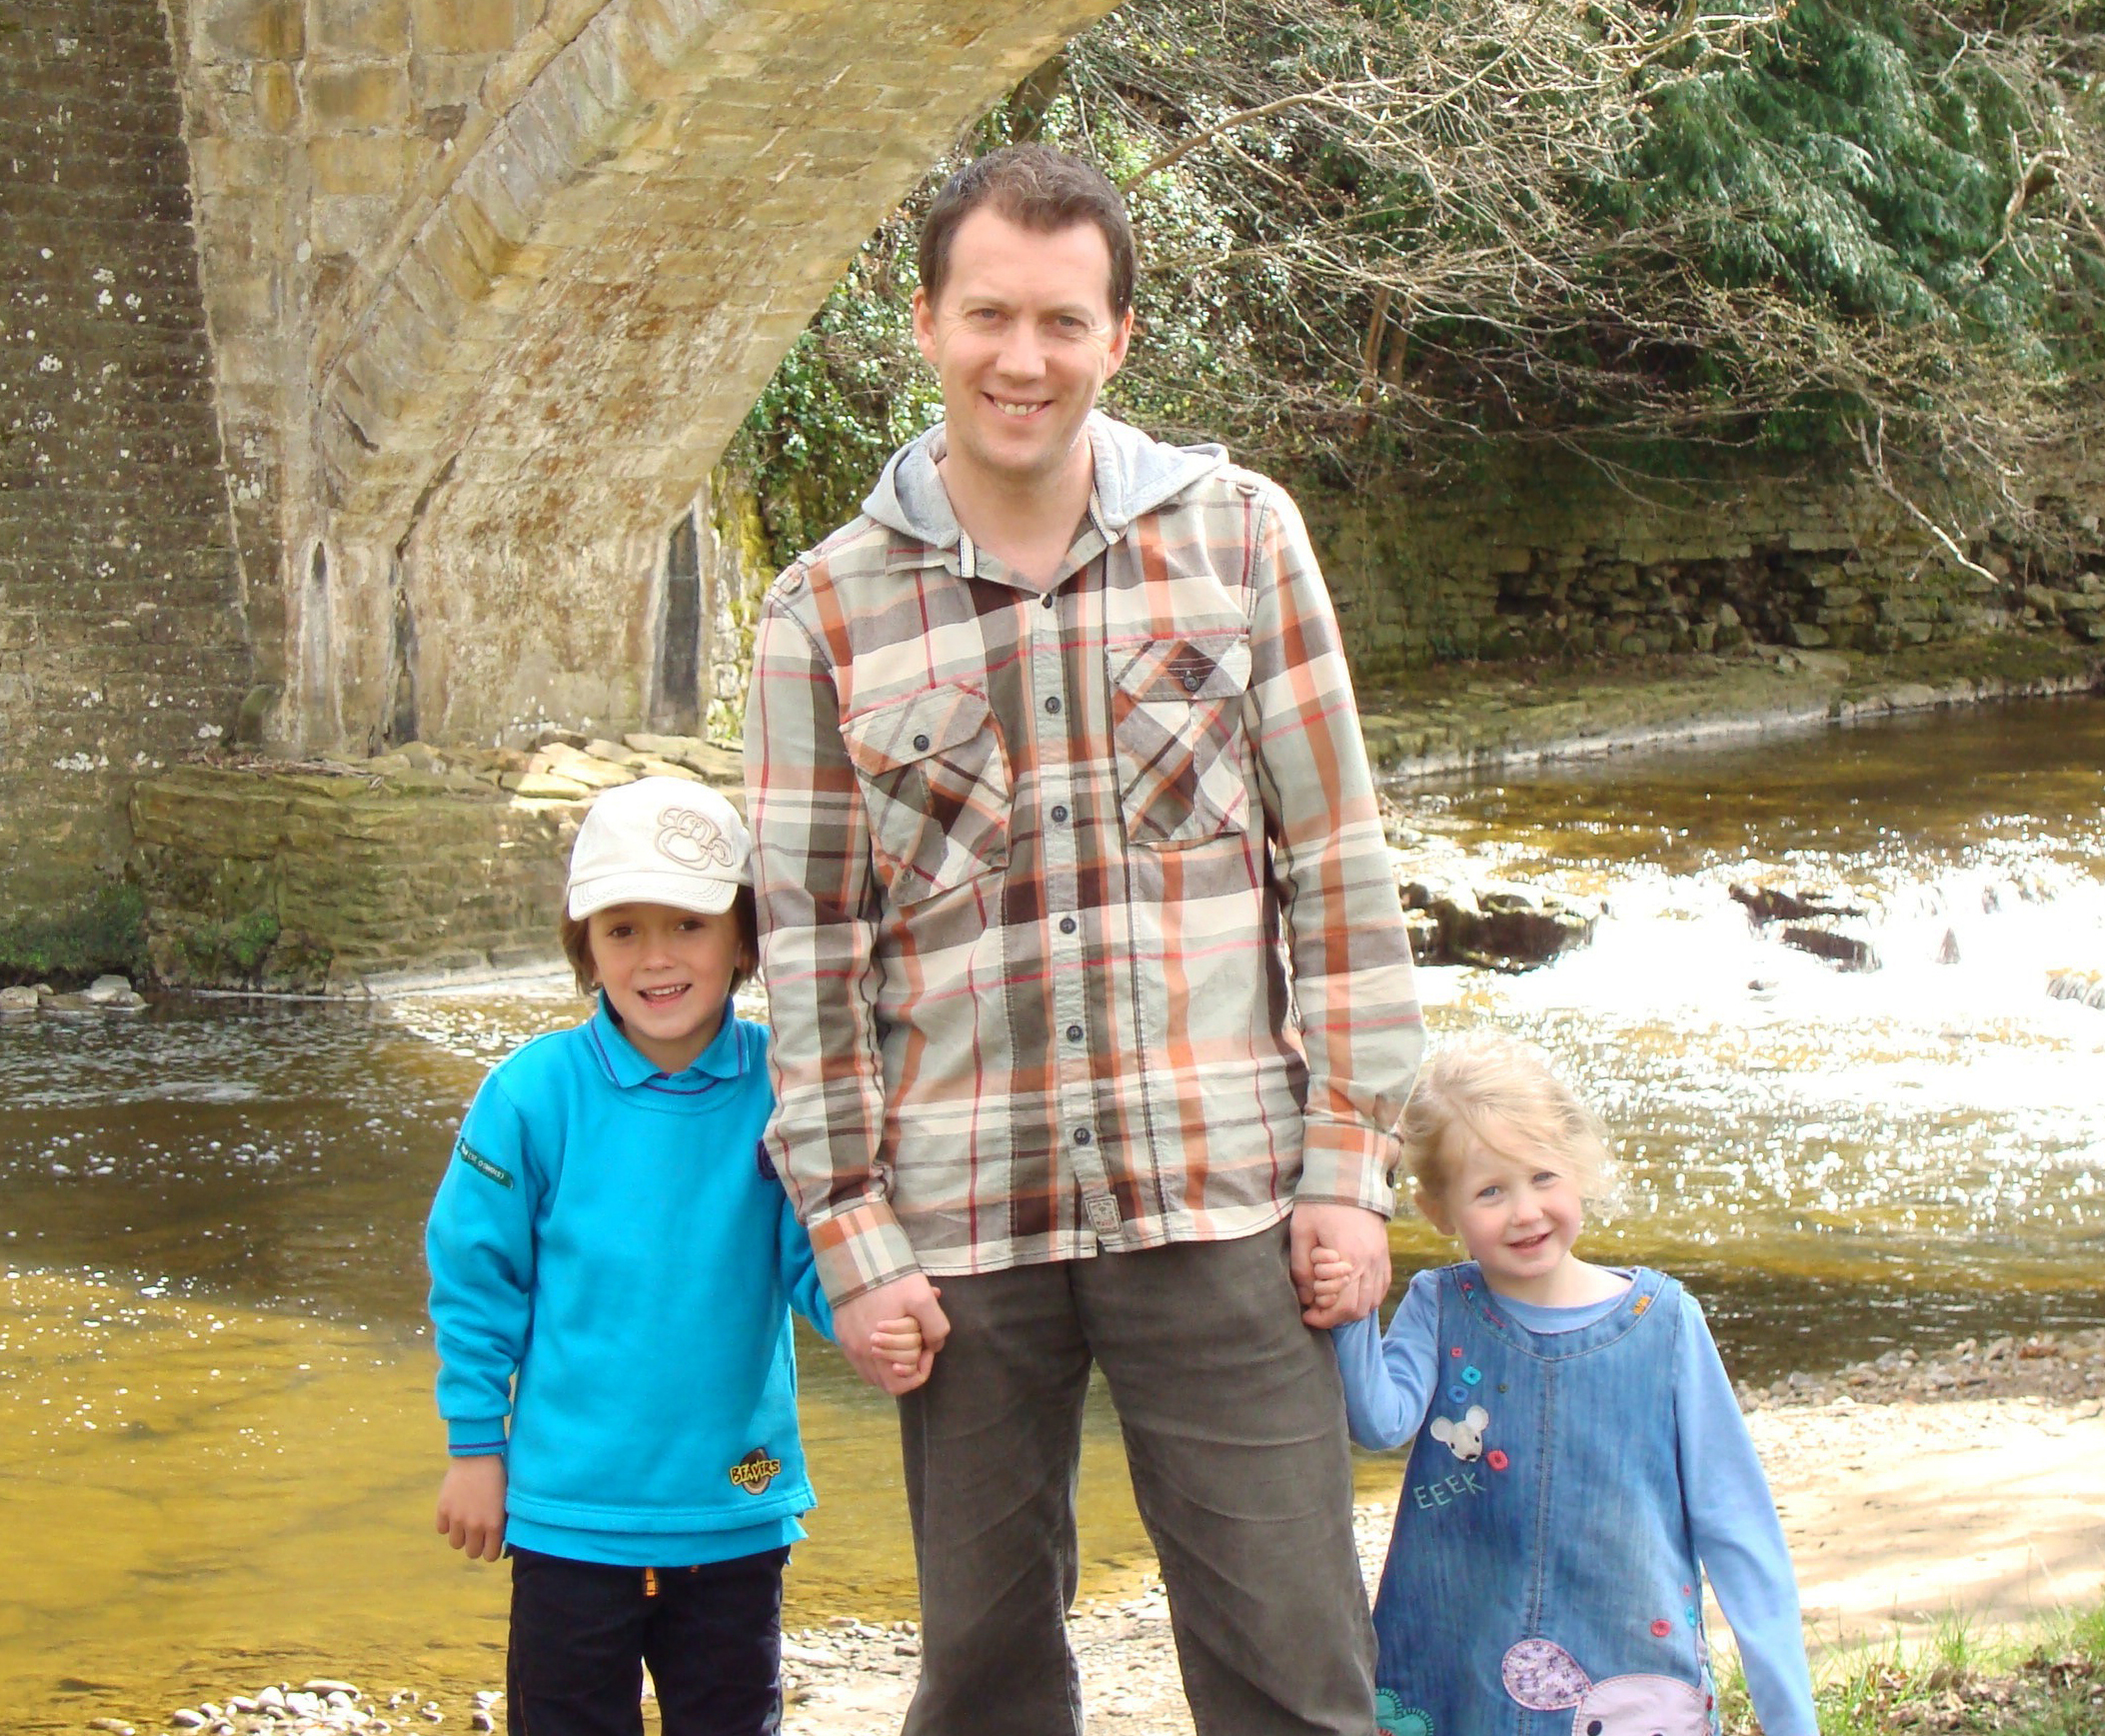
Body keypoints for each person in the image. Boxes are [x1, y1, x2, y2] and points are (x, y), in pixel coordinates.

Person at [743, 143, 1424, 1735]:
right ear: (923, 321)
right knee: (982, 1686)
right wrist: (847, 1232)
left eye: (1060, 322)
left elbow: (1337, 865)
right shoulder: (820, 613)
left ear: (1117, 336)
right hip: (960, 1229)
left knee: (1295, 1667)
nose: (1021, 359)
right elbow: (811, 954)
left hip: (1226, 1197)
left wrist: (1348, 1162)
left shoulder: (1241, 539)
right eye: (988, 316)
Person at [426, 778, 891, 1736]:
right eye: (623, 929)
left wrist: (862, 1311)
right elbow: (476, 1283)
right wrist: (476, 1447)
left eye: (688, 922)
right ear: (585, 945)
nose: (658, 957)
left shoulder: (782, 1085)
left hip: (734, 1508)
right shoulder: (529, 1096)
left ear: (744, 939)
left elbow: (815, 1248)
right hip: (566, 1519)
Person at [1313, 1030, 1818, 1736]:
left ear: (1579, 1167)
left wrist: (1790, 1716)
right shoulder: (1440, 1304)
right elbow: (1379, 1419)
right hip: (1458, 1664)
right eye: (1490, 1190)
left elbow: (1737, 1524)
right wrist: (1352, 1310)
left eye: (1543, 1176)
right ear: (1439, 1210)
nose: (1525, 1210)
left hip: (1627, 1677)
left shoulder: (1665, 1323)